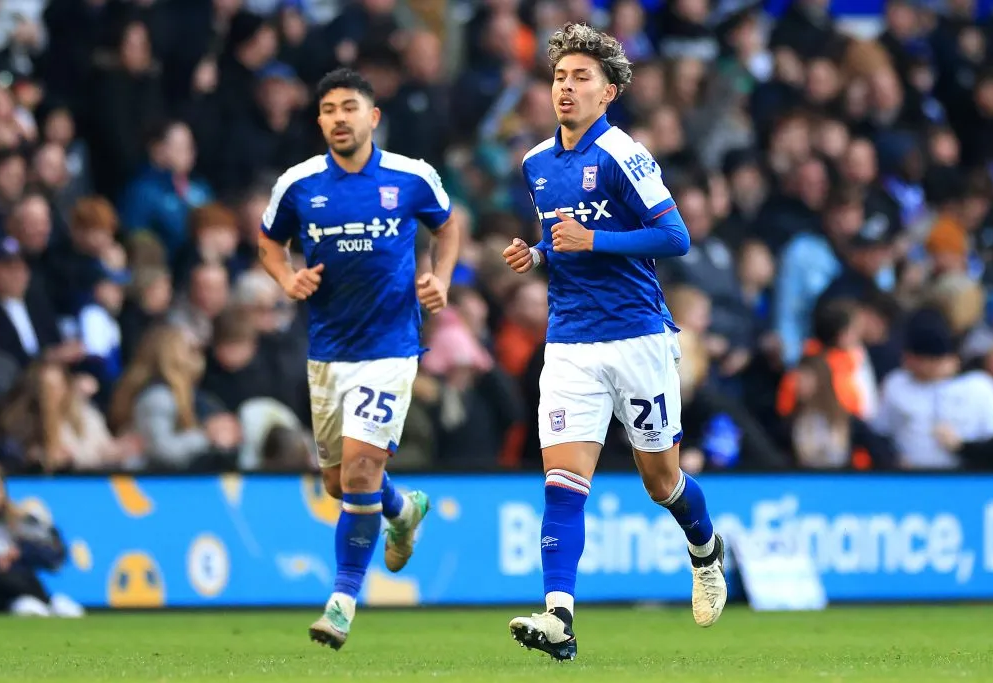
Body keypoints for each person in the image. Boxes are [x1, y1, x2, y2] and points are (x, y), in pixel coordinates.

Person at [501, 22, 726, 661]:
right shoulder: (536, 163)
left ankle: (705, 552)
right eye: (559, 77)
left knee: (661, 481)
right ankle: (558, 618)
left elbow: (675, 237)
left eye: (581, 79)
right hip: (570, 342)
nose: (566, 88)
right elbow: (565, 237)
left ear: (608, 93)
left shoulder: (625, 155)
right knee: (563, 481)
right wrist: (538, 250)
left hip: (638, 339)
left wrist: (592, 241)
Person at [258, 68, 459, 649]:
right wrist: (285, 277)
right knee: (339, 485)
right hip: (328, 351)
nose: (338, 118)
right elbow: (270, 242)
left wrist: (439, 280)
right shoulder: (297, 185)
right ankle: (403, 511)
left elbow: (449, 227)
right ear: (319, 120)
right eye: (327, 109)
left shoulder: (411, 176)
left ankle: (342, 602)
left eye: (349, 107)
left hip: (390, 348)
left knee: (361, 472)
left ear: (373, 117)